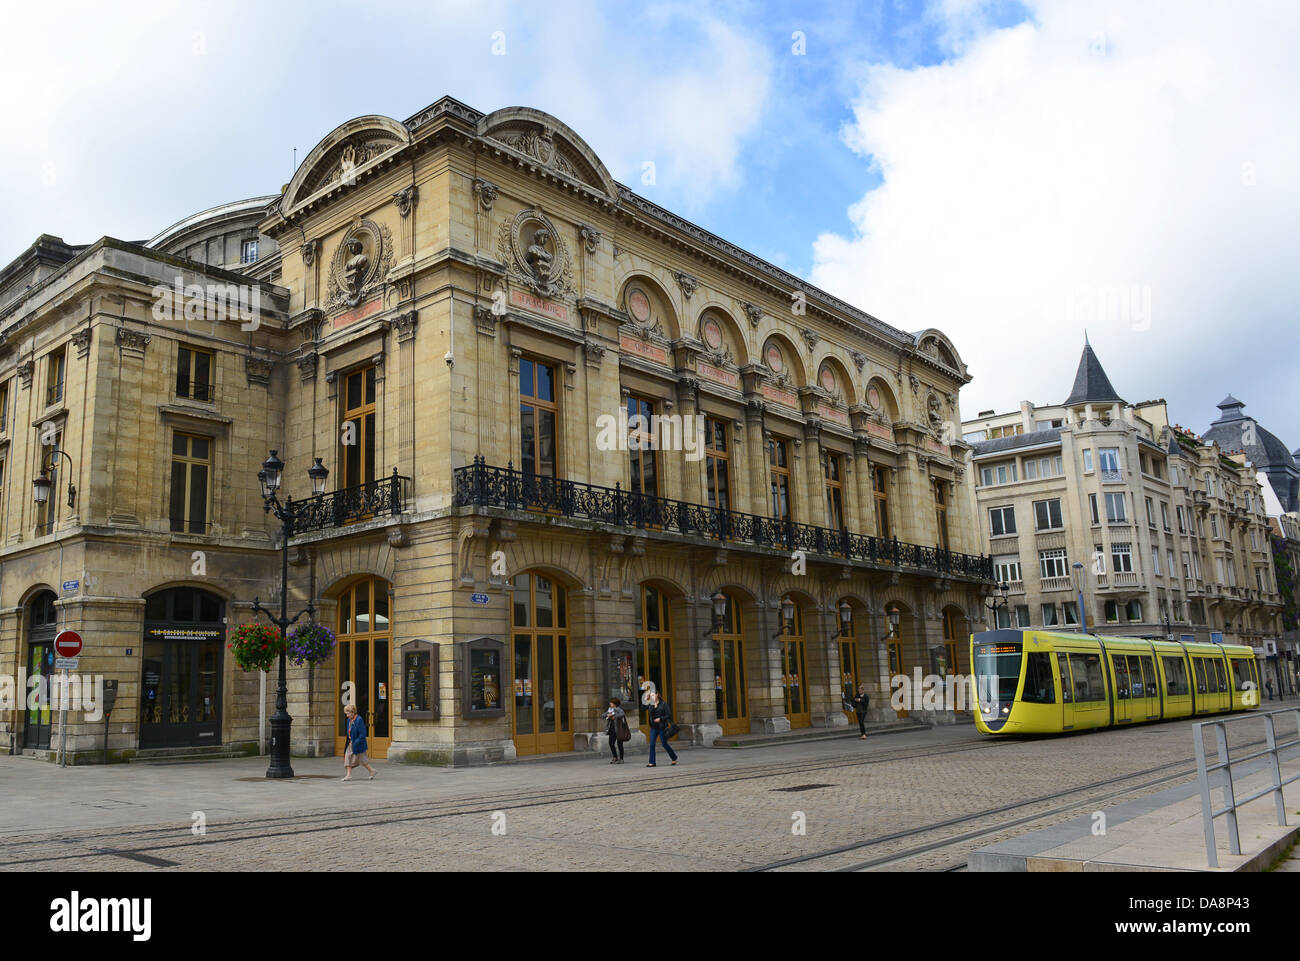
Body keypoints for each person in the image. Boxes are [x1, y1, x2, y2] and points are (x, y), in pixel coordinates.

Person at [342, 703, 376, 781]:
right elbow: (349, 732)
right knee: (348, 757)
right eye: (346, 714)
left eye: (348, 713)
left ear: (352, 712)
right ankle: (349, 775)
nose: (347, 715)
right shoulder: (349, 720)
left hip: (358, 744)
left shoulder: (359, 720)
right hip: (351, 743)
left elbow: (363, 734)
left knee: (363, 760)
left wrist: (356, 742)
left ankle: (372, 770)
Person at [646, 690, 677, 767]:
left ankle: (674, 757)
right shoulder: (650, 704)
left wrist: (660, 719)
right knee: (652, 744)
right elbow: (642, 707)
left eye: (653, 695)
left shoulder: (663, 704)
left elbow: (669, 715)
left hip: (662, 727)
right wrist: (647, 699)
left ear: (657, 695)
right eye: (651, 695)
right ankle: (652, 762)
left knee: (664, 744)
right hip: (653, 727)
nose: (652, 697)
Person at [603, 697, 626, 764]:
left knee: (620, 744)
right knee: (611, 743)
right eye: (610, 702)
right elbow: (603, 715)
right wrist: (608, 714)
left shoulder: (618, 709)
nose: (610, 703)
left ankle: (621, 759)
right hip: (612, 729)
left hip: (618, 730)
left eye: (611, 703)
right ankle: (615, 757)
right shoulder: (610, 709)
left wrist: (614, 715)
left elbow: (622, 714)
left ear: (615, 704)